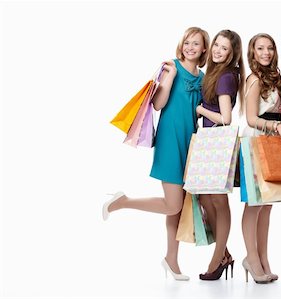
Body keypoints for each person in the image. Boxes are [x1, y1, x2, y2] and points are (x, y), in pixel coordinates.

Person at [102, 27, 210, 281]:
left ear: (204, 49)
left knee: (178, 207)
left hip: (191, 143)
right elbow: (159, 104)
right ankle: (123, 201)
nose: (190, 47)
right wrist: (170, 76)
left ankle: (171, 260)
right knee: (172, 204)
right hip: (170, 142)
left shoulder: (204, 78)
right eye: (187, 42)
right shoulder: (171, 66)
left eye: (196, 44)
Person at [240, 33, 281, 284]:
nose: (266, 52)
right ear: (252, 52)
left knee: (267, 205)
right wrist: (277, 128)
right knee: (254, 204)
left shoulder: (276, 78)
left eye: (270, 48)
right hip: (254, 141)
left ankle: (264, 259)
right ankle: (251, 259)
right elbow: (251, 118)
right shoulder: (253, 79)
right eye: (260, 48)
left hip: (272, 142)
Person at [195, 29, 245, 281]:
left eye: (224, 48)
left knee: (218, 201)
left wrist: (201, 109)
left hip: (218, 141)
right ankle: (223, 253)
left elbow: (226, 118)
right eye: (216, 44)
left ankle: (218, 259)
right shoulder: (217, 73)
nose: (217, 50)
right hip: (208, 142)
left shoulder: (226, 76)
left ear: (232, 53)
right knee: (204, 199)